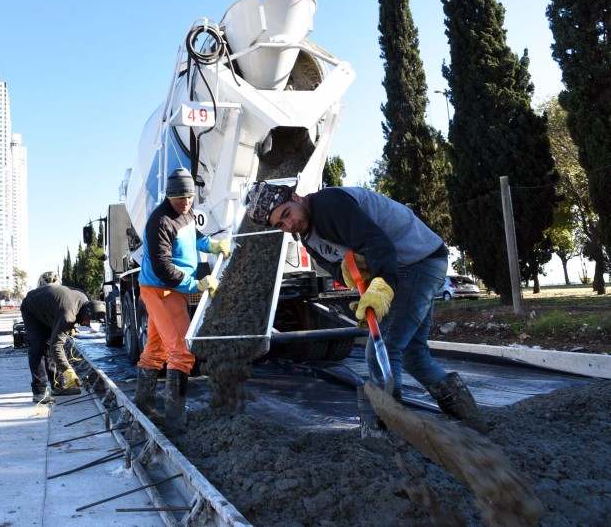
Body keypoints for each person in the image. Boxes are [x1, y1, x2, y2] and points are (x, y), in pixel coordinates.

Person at [245, 180, 488, 438]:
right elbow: (337, 267)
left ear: (295, 197)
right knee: (413, 355)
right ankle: (471, 423)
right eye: (280, 225)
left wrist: (381, 286)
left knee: (383, 349)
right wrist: (351, 275)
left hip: (418, 261)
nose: (289, 224)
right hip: (409, 264)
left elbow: (377, 244)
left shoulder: (328, 206)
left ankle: (384, 436)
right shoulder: (308, 237)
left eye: (286, 213)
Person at [134, 167, 231, 426]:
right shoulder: (160, 221)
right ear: (169, 196)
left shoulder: (185, 213)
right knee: (182, 350)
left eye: (189, 198)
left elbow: (192, 237)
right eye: (180, 199)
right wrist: (195, 284)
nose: (186, 203)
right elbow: (163, 268)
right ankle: (176, 418)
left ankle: (144, 407)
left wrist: (210, 244)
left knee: (156, 349)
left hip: (169, 289)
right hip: (162, 290)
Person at [20, 283, 104, 404]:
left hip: (50, 309)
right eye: (88, 323)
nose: (87, 325)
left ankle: (58, 386)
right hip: (32, 307)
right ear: (87, 314)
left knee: (49, 346)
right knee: (38, 348)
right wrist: (68, 371)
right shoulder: (68, 315)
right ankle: (39, 392)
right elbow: (56, 347)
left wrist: (71, 325)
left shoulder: (84, 301)